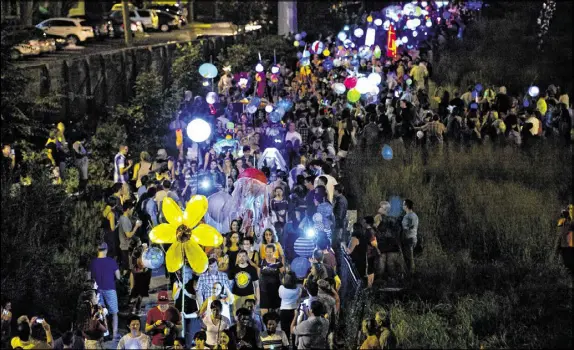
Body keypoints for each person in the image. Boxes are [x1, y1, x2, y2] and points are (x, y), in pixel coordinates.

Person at [89, 242, 120, 340]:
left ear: (97, 250)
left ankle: (104, 334)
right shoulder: (111, 261)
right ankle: (115, 334)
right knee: (114, 312)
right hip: (110, 288)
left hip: (97, 290)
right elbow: (118, 276)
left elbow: (88, 278)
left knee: (101, 313)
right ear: (106, 250)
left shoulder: (92, 262)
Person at [228, 250, 260, 317]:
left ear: (247, 257)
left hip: (249, 296)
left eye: (243, 256)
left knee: (250, 317)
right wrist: (230, 298)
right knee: (237, 317)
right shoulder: (233, 269)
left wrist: (258, 299)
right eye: (240, 256)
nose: (241, 258)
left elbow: (256, 285)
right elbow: (230, 285)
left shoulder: (252, 269)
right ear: (238, 257)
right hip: (236, 296)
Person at [259, 244, 284, 316]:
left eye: (270, 252)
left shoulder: (278, 263)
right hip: (264, 291)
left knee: (275, 315)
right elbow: (258, 276)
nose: (268, 254)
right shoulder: (261, 262)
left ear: (274, 252)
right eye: (267, 252)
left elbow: (283, 276)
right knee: (264, 315)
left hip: (275, 291)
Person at [118, 201, 142, 274]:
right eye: (132, 209)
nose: (132, 211)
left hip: (126, 245)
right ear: (128, 209)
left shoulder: (124, 218)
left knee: (128, 267)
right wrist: (136, 226)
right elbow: (128, 235)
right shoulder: (125, 220)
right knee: (127, 268)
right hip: (125, 247)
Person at [278, 271, 301, 342]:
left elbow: (280, 296)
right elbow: (298, 299)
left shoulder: (281, 288)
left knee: (285, 333)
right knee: (294, 331)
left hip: (283, 312)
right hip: (294, 312)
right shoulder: (298, 289)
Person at [401, 199, 419, 276]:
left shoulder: (407, 216)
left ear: (406, 206)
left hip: (408, 239)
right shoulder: (415, 215)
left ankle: (411, 276)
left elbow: (405, 229)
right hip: (414, 238)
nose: (402, 206)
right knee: (412, 258)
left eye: (403, 204)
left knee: (410, 260)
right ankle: (412, 275)